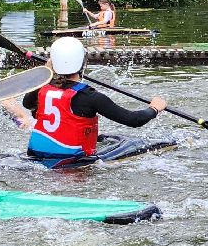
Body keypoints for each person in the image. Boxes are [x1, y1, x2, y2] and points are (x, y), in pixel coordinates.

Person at [23, 37, 165, 164]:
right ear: (82, 64)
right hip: (72, 160)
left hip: (35, 155)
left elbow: (27, 104)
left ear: (52, 63)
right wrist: (154, 108)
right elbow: (133, 120)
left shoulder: (42, 89)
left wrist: (46, 73)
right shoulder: (90, 97)